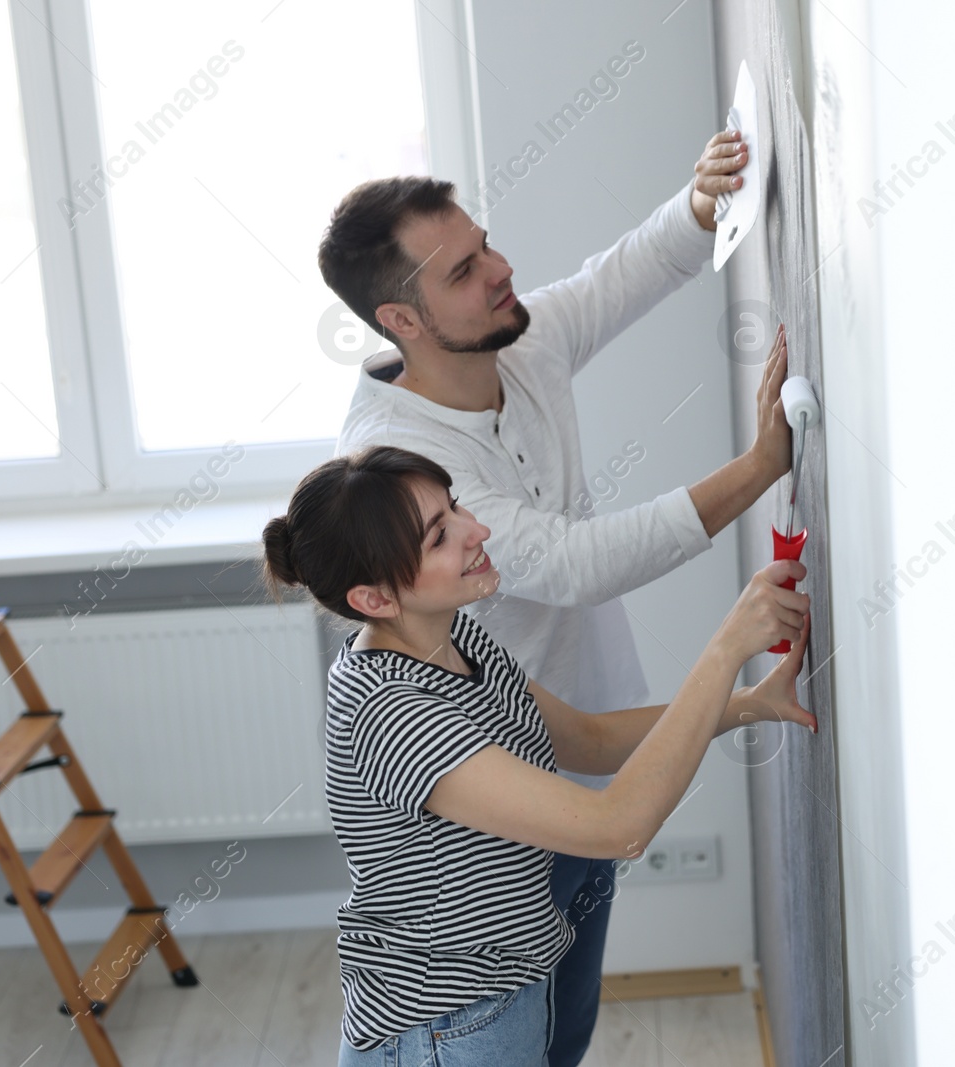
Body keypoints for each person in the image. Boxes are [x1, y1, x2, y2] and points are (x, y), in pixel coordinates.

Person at [321, 130, 793, 1064]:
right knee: (522, 1022)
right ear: (401, 319)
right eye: (464, 270)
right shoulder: (397, 462)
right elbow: (577, 562)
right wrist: (758, 473)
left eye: (485, 242)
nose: (500, 271)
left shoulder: (513, 344)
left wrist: (700, 206)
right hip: (506, 804)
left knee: (551, 1033)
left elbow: (616, 276)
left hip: (568, 750)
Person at [260, 445, 812, 1065]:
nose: (478, 530)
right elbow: (618, 827)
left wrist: (750, 703)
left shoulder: (454, 635)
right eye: (441, 535)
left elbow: (589, 741)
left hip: (501, 998)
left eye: (457, 506)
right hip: (443, 1031)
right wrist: (726, 646)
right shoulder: (391, 712)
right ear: (375, 600)